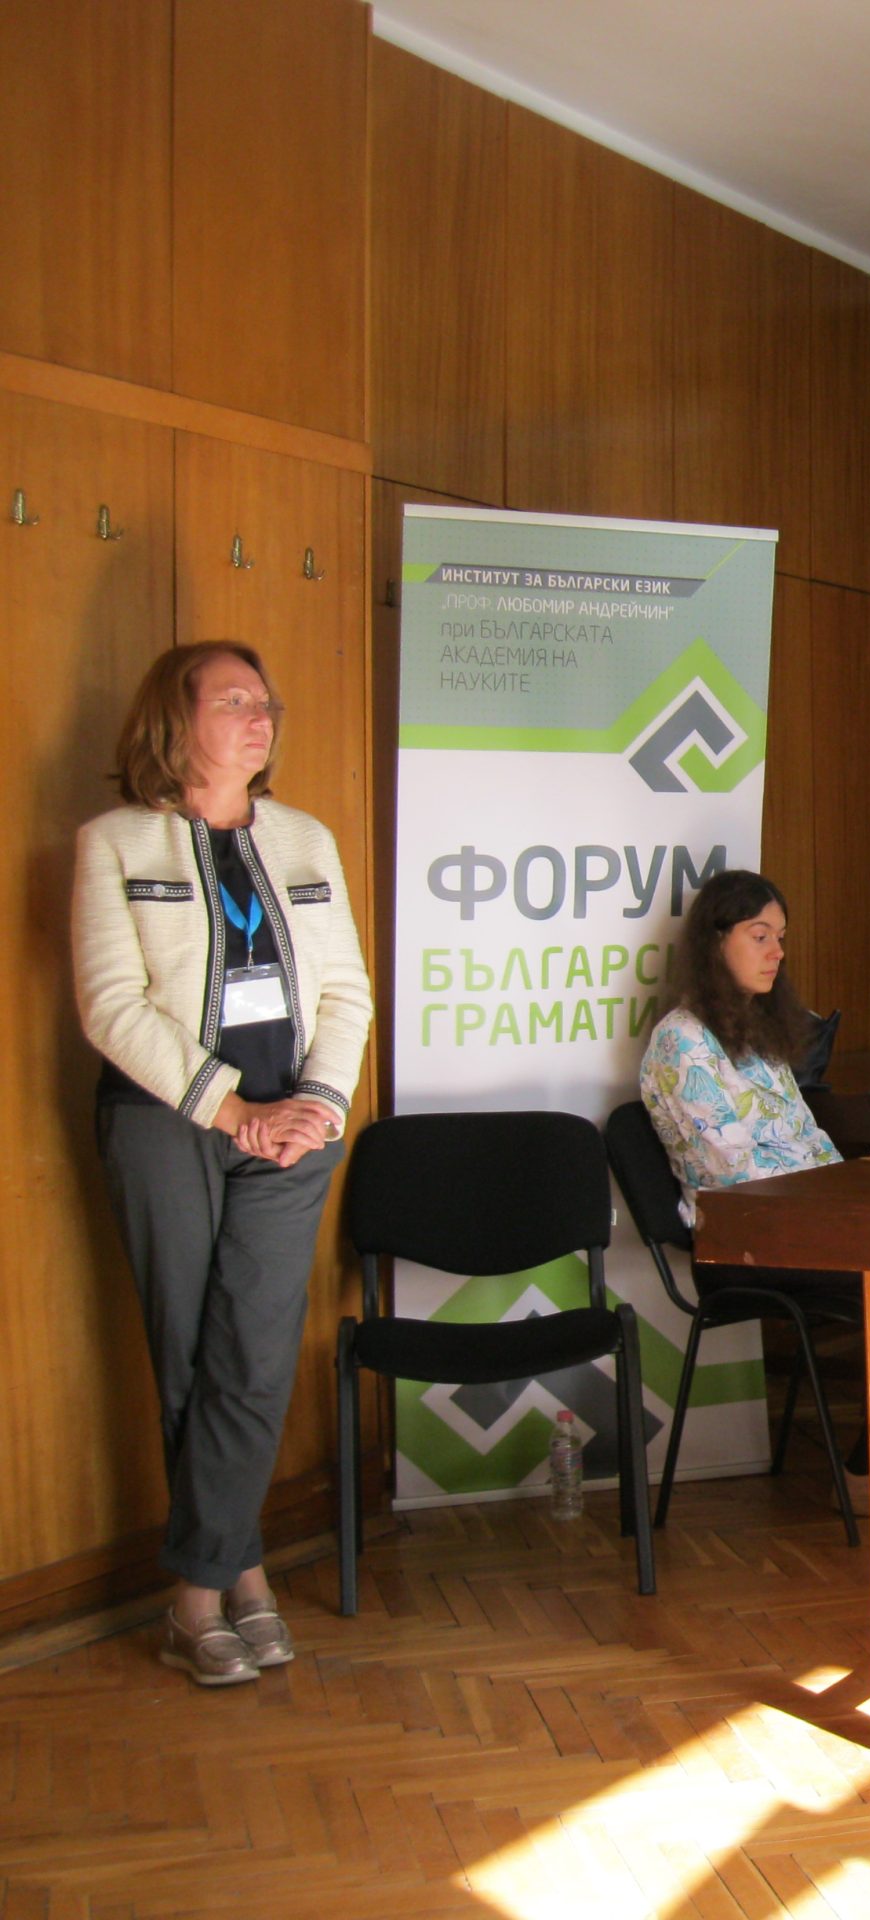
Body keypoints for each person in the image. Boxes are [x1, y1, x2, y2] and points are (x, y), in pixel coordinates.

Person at [72, 642, 374, 1686]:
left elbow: (346, 993)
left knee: (253, 1353)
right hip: (166, 1125)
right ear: (175, 719)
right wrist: (228, 1108)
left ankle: (192, 1600)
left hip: (293, 1130)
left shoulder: (306, 839)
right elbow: (111, 1007)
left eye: (266, 701)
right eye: (234, 700)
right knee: (189, 1358)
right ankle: (241, 1577)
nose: (261, 715)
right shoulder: (114, 842)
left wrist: (316, 1104)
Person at [637, 871, 870, 1518]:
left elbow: (808, 1142)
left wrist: (860, 1193)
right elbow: (735, 1169)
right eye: (760, 935)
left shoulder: (755, 1034)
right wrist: (843, 1208)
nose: (777, 952)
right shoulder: (683, 1041)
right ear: (715, 941)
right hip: (747, 1237)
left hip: (809, 1221)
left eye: (781, 937)